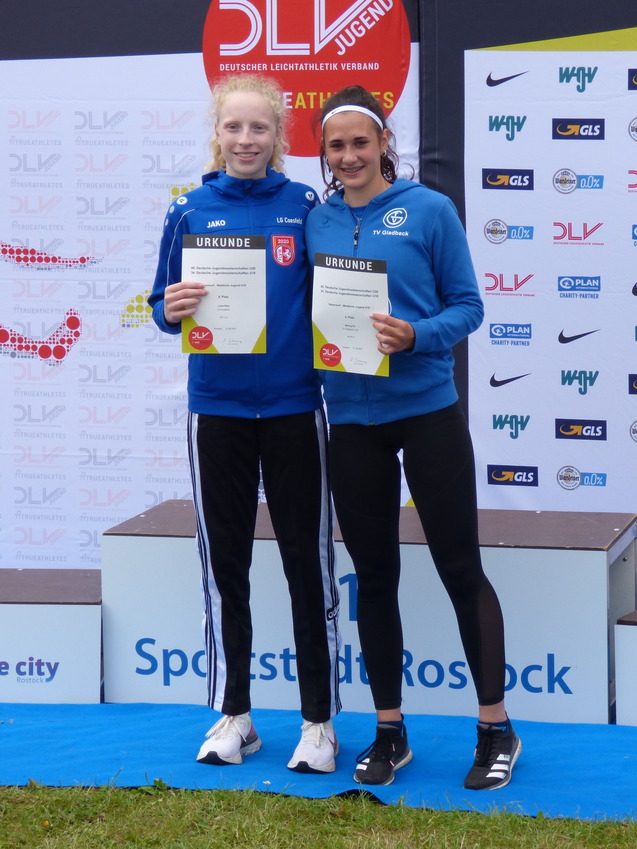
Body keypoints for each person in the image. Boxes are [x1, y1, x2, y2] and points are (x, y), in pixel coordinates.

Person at [306, 85, 520, 790]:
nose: (347, 156)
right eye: (335, 146)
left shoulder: (429, 209)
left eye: (358, 143)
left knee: (459, 567)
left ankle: (495, 726)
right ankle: (389, 730)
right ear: (325, 154)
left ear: (382, 143)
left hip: (426, 408)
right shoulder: (318, 220)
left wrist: (416, 334)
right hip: (352, 419)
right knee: (373, 578)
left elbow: (468, 306)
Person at [148, 74, 341, 774]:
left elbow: (337, 292)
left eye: (259, 128)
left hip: (295, 408)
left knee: (307, 567)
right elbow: (161, 303)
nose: (246, 140)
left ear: (279, 137)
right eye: (234, 127)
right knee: (224, 567)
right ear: (217, 133)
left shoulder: (305, 206)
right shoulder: (189, 209)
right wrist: (171, 305)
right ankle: (235, 715)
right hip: (217, 413)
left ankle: (318, 721)